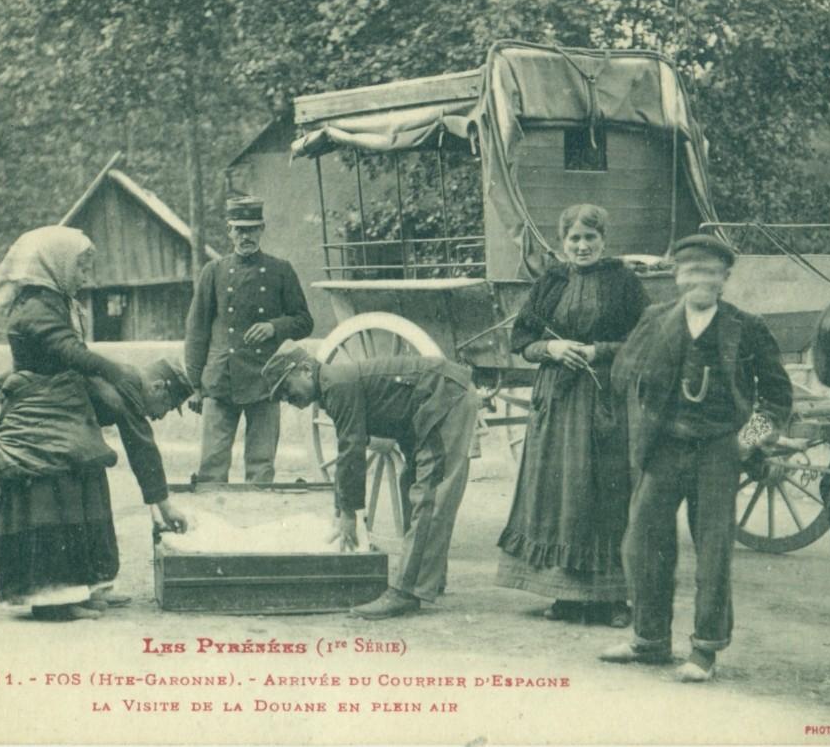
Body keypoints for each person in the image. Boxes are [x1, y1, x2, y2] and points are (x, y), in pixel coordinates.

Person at [599, 233, 792, 681]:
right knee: (642, 540)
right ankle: (648, 639)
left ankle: (705, 650)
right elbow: (623, 374)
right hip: (664, 449)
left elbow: (778, 398)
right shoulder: (654, 318)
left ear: (724, 279)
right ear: (677, 278)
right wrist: (645, 419)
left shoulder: (747, 326)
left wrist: (750, 442)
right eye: (691, 274)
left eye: (710, 274)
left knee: (713, 551)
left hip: (720, 451)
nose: (700, 282)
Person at [0, 226, 187, 621]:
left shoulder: (58, 302)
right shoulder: (36, 307)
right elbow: (68, 351)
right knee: (53, 491)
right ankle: (51, 601)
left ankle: (83, 586)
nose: (84, 276)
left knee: (87, 482)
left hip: (61, 402)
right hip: (39, 412)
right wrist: (119, 370)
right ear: (53, 263)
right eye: (79, 266)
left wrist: (117, 381)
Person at [494, 204, 648, 627]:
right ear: (563, 244)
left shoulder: (625, 283)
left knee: (606, 491)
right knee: (559, 493)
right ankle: (563, 595)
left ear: (604, 240)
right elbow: (522, 339)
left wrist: (600, 351)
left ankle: (614, 598)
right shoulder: (551, 282)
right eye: (573, 239)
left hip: (606, 402)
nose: (582, 246)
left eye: (589, 238)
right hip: (557, 405)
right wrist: (552, 349)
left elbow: (645, 341)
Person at [262, 346, 479, 620]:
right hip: (431, 402)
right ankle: (430, 579)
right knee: (410, 485)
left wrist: (350, 515)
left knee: (430, 496)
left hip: (446, 398)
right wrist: (342, 509)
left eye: (286, 389)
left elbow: (351, 452)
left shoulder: (337, 384)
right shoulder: (333, 386)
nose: (287, 399)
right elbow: (351, 448)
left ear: (305, 370)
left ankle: (406, 592)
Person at [184, 194, 313, 484]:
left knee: (261, 468)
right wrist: (194, 384)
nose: (246, 236)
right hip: (220, 379)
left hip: (265, 380)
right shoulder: (213, 272)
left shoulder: (281, 270)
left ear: (262, 229)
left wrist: (274, 327)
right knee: (211, 467)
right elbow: (197, 331)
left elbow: (305, 321)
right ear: (229, 231)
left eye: (252, 229)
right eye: (240, 229)